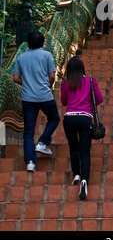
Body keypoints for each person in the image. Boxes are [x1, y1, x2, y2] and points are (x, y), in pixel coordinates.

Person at [12, 31, 60, 172]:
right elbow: (52, 76)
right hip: (44, 95)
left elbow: (15, 78)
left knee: (28, 131)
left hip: (28, 98)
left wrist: (26, 84)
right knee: (54, 118)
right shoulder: (47, 55)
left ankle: (30, 162)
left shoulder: (21, 57)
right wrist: (49, 86)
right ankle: (43, 142)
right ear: (42, 43)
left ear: (28, 43)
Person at [61, 57, 103, 200]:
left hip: (69, 117)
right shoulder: (91, 81)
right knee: (85, 151)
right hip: (85, 118)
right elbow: (99, 99)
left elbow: (63, 101)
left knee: (73, 147)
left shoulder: (65, 83)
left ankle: (76, 175)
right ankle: (85, 179)